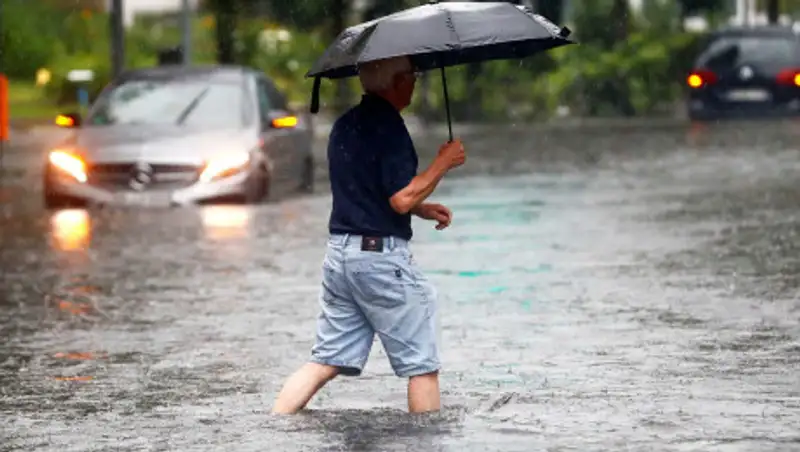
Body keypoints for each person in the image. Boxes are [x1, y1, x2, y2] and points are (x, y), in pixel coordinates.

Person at [271, 55, 466, 414]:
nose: (415, 80)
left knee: (324, 360)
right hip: (379, 260)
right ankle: (426, 438)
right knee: (423, 365)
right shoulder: (390, 128)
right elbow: (400, 198)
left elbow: (364, 190)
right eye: (411, 75)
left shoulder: (345, 124)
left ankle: (274, 424)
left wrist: (421, 208)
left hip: (340, 258)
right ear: (396, 82)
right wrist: (443, 163)